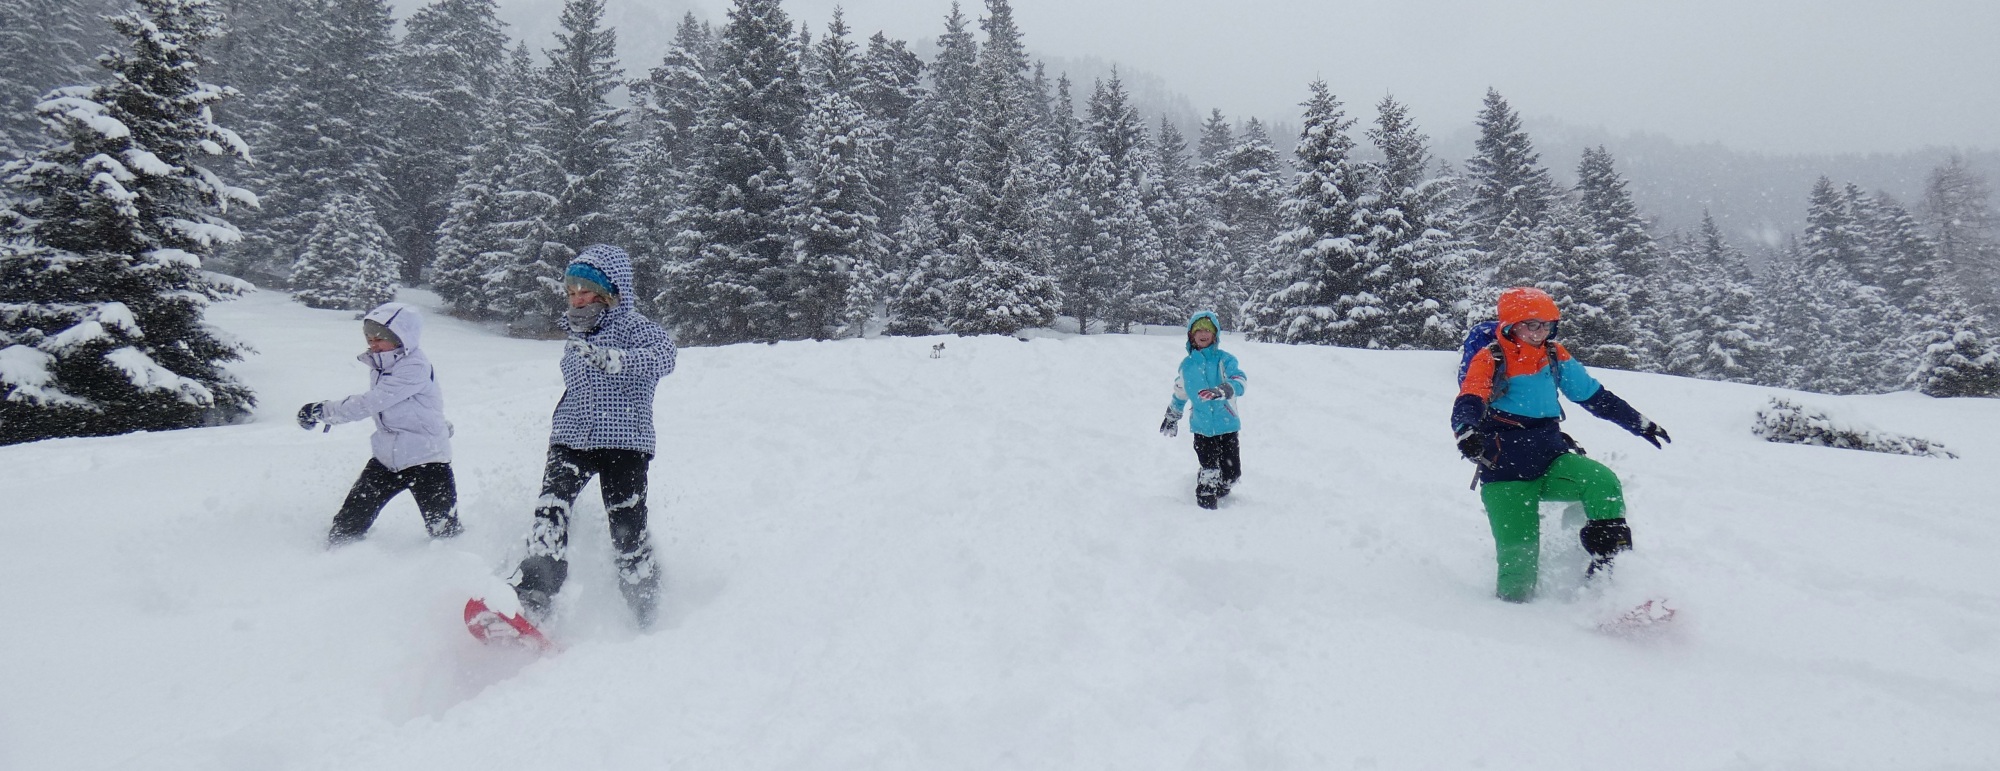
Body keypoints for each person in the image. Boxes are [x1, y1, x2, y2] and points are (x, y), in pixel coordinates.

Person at [1450, 287, 1671, 602]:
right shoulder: (1491, 358)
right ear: (1512, 324)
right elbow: (1470, 398)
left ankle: (1612, 581)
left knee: (1602, 482)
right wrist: (1466, 431)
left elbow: (1594, 396)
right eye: (1532, 324)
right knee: (1518, 576)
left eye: (1547, 325)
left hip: (1551, 460)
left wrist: (1638, 423)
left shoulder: (1554, 355)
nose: (1541, 333)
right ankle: (1510, 627)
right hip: (1504, 474)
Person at [507, 244, 676, 628]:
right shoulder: (575, 331)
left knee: (626, 530)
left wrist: (621, 361)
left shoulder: (636, 327)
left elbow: (665, 357)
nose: (576, 298)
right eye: (571, 291)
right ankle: (533, 594)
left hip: (624, 444)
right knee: (550, 511)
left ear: (610, 291)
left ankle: (645, 605)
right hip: (571, 439)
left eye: (585, 290)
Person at [298, 302, 462, 546]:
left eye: (379, 339)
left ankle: (456, 576)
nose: (372, 344)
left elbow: (370, 403)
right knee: (345, 529)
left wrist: (323, 411)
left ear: (402, 338)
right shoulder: (382, 364)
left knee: (446, 535)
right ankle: (334, 572)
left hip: (427, 461)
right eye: (369, 338)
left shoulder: (414, 366)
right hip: (387, 459)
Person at [1159, 311, 1248, 509]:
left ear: (1215, 334)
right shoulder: (1187, 366)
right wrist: (1173, 415)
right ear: (1191, 335)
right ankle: (1205, 509)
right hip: (1201, 427)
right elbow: (1180, 392)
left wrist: (1223, 389)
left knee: (1232, 474)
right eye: (1198, 329)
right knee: (1210, 470)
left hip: (1227, 425)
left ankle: (1223, 487)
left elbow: (1240, 380)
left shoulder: (1225, 360)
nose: (1203, 333)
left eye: (1208, 329)